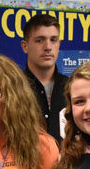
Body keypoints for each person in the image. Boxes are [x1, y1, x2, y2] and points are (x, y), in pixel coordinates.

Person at [21, 13, 68, 141]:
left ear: (59, 44)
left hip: (67, 160)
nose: (48, 47)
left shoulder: (72, 87)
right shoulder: (13, 87)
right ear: (25, 46)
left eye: (53, 40)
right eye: (40, 40)